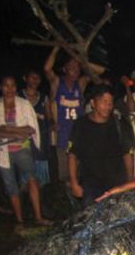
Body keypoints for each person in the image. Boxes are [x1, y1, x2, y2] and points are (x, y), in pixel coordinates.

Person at [0, 75, 52, 230]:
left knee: (32, 179)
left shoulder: (23, 104)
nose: (9, 89)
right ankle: (20, 220)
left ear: (16, 87)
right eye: (6, 86)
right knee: (11, 185)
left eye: (12, 86)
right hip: (2, 152)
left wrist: (6, 129)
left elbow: (31, 129)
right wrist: (18, 131)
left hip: (22, 149)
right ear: (0, 87)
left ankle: (38, 217)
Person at [44, 46, 105, 183]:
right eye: (70, 66)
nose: (74, 68)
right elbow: (47, 69)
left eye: (77, 67)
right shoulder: (57, 83)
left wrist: (82, 61)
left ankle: (83, 201)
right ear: (64, 69)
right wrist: (55, 49)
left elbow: (100, 71)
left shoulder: (81, 84)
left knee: (82, 172)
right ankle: (70, 201)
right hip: (62, 136)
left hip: (80, 135)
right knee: (66, 175)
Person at [68, 84, 135, 207]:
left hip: (116, 182)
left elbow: (128, 153)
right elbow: (72, 154)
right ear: (93, 103)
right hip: (90, 184)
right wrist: (74, 182)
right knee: (91, 218)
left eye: (110, 102)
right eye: (104, 101)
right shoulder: (81, 125)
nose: (108, 106)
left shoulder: (120, 123)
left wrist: (130, 181)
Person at [19, 69, 51, 186]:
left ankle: (41, 197)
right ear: (25, 78)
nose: (35, 80)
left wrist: (51, 123)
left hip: (41, 138)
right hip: (23, 139)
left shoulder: (44, 98)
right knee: (25, 173)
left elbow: (49, 117)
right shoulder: (18, 96)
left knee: (41, 175)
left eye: (37, 78)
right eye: (32, 77)